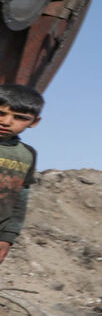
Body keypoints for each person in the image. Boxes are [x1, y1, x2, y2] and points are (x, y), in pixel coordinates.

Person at [0, 84, 42, 266]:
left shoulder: (27, 155)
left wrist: (7, 237)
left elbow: (20, 200)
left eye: (19, 118)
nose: (7, 122)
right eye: (1, 113)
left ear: (34, 122)